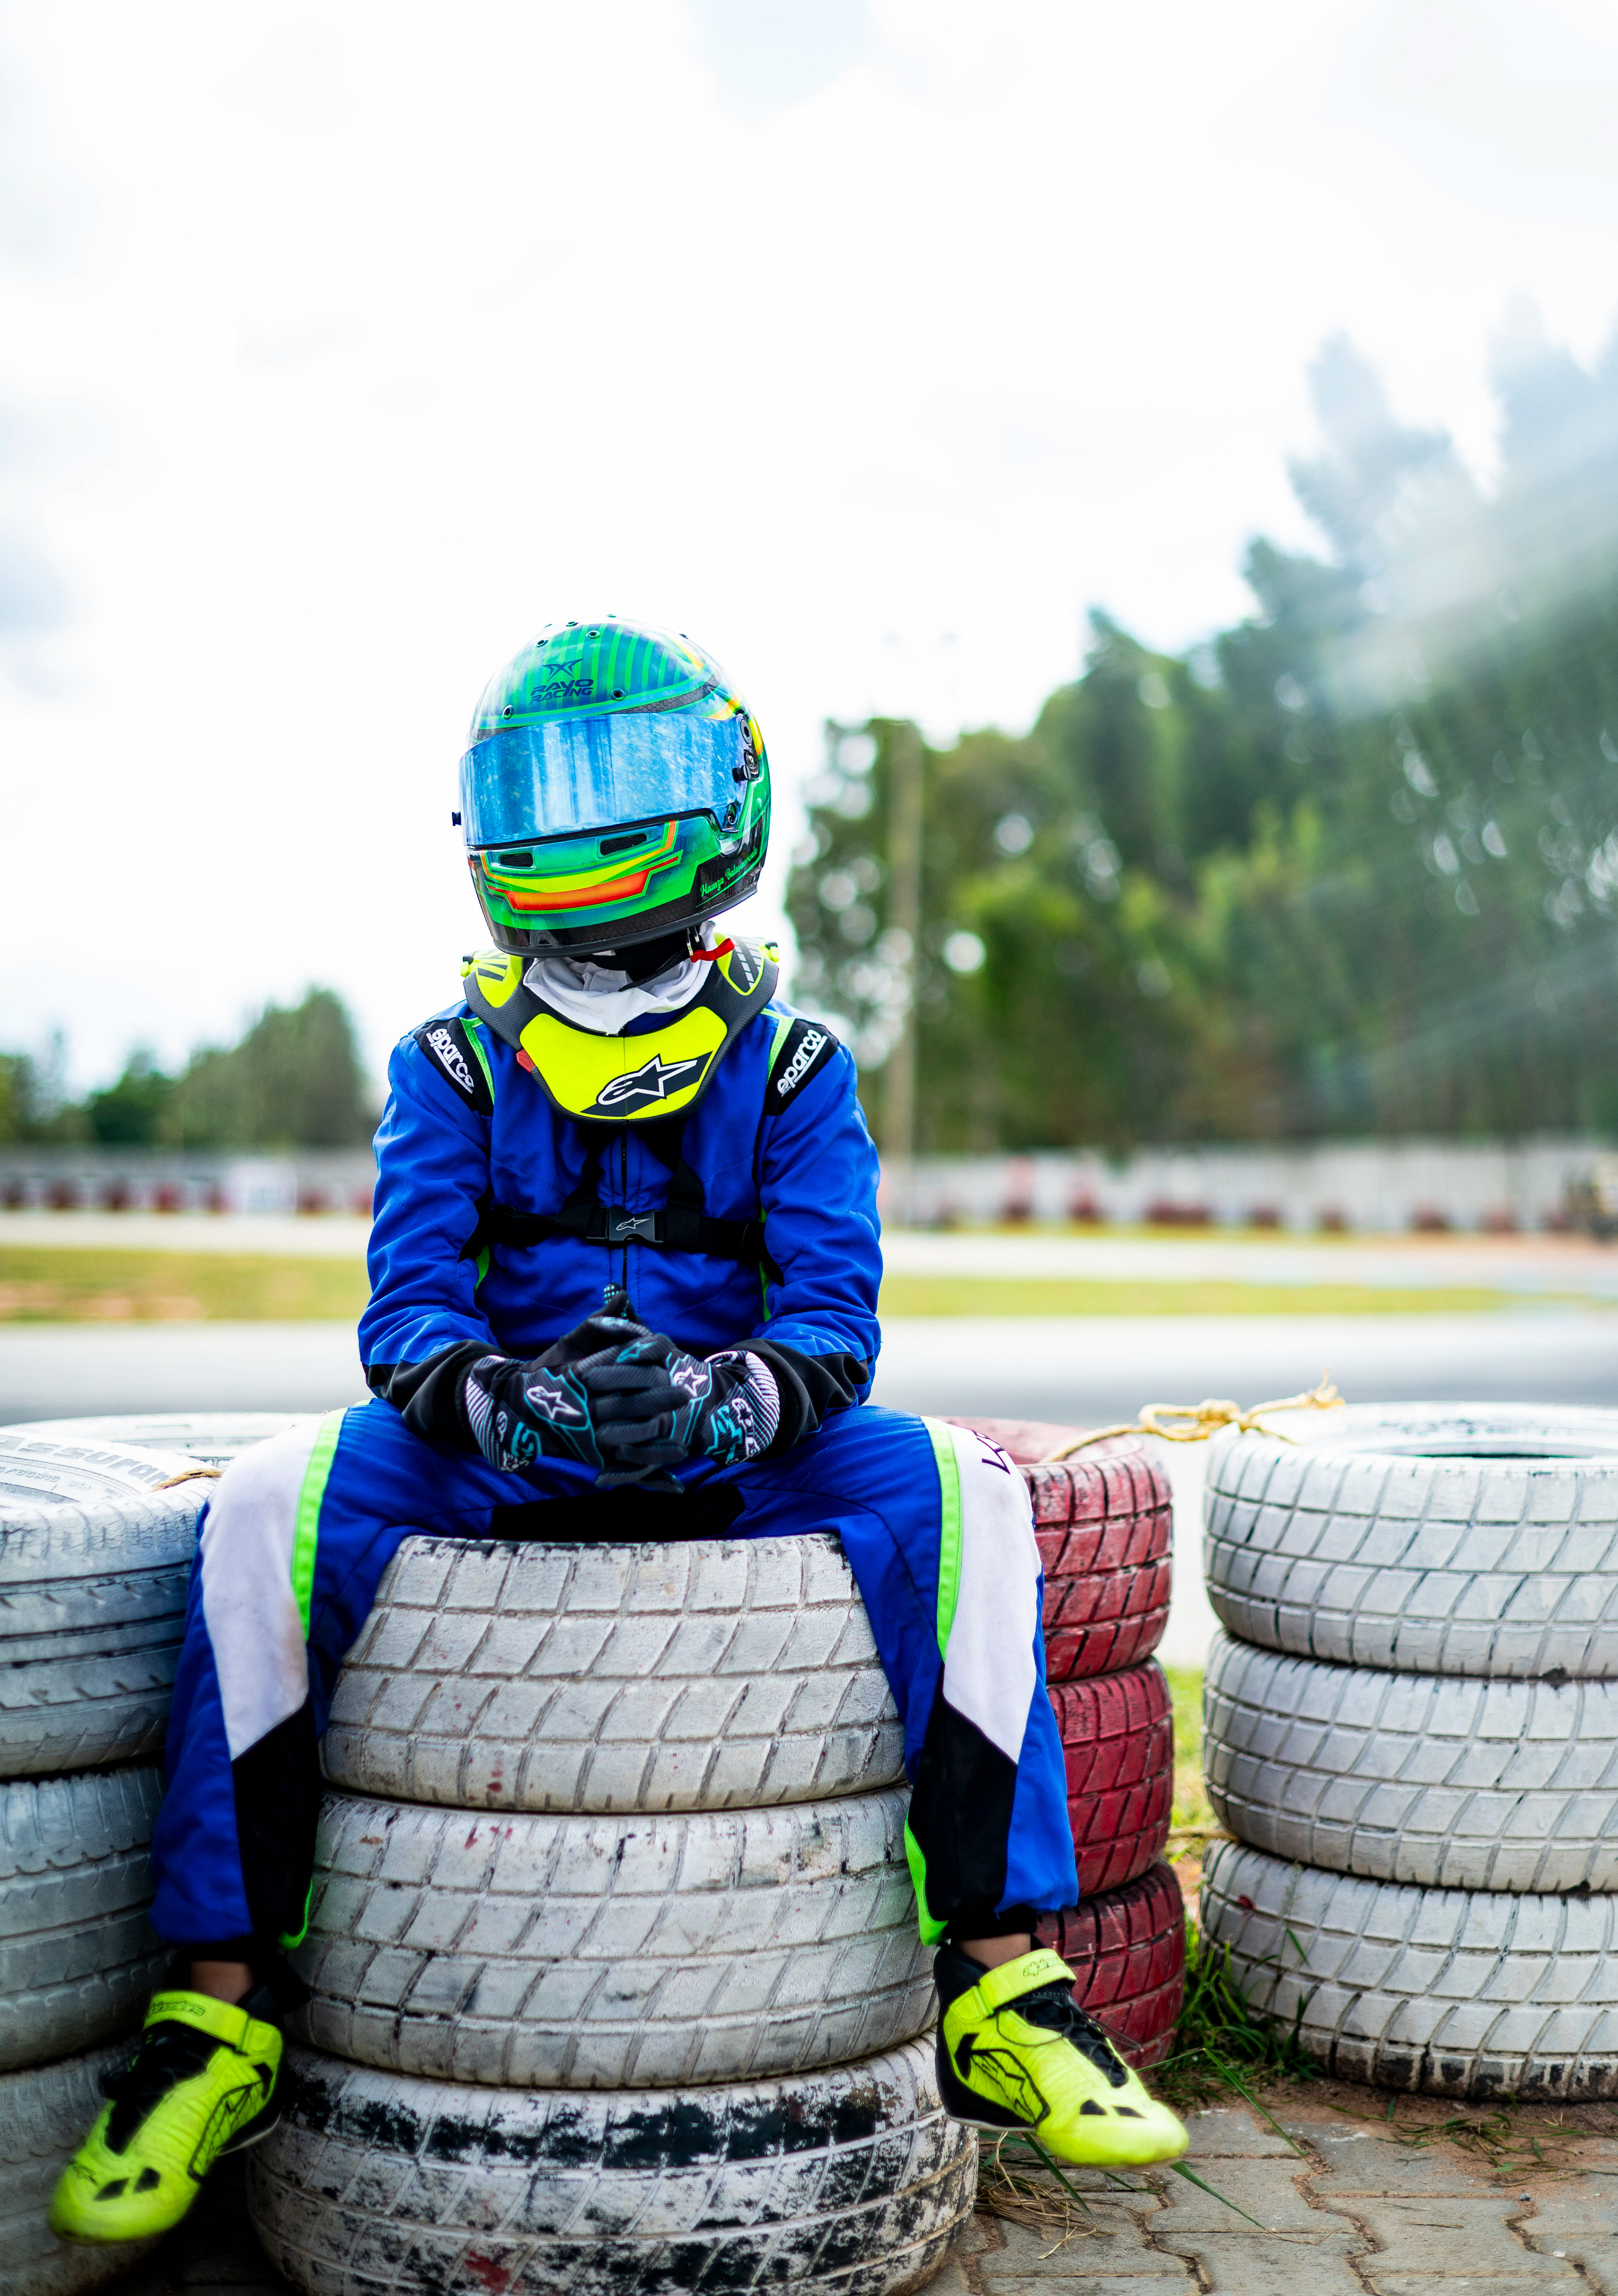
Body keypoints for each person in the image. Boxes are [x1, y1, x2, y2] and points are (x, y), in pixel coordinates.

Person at [53, 618, 1186, 2245]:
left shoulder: (796, 1063)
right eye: (548, 791)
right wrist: (497, 1397)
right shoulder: (451, 1061)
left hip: (739, 1449)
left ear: (725, 793)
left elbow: (836, 1319)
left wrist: (735, 1397)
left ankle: (1005, 1986)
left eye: (625, 781)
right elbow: (406, 1311)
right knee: (258, 1506)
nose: (583, 825)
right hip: (501, 1444)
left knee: (977, 1496)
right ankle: (218, 2015)